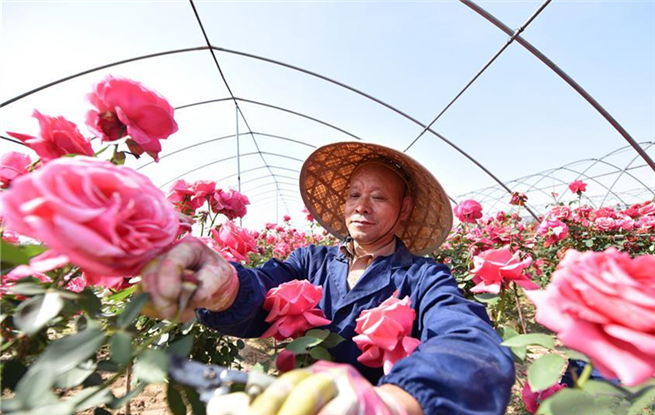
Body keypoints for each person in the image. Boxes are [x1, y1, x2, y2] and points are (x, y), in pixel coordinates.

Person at [142, 142, 515, 415]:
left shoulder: (423, 276)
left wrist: (397, 403)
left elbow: (470, 343)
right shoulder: (310, 261)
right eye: (354, 194)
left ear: (405, 211)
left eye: (379, 197)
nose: (362, 205)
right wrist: (227, 288)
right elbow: (261, 292)